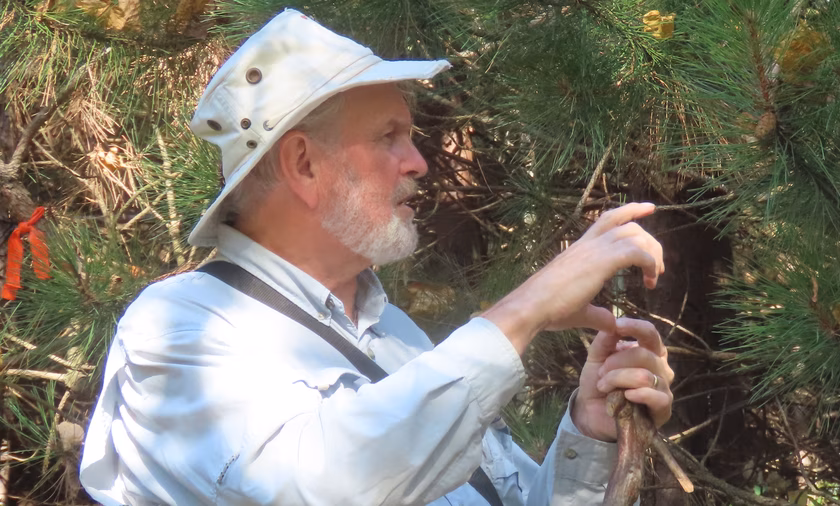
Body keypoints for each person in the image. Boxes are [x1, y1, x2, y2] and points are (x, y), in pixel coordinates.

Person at [80, 9, 674, 506]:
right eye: (388, 136)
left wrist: (591, 433)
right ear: (304, 165)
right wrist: (525, 310)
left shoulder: (393, 332)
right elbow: (327, 488)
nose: (417, 162)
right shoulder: (180, 328)